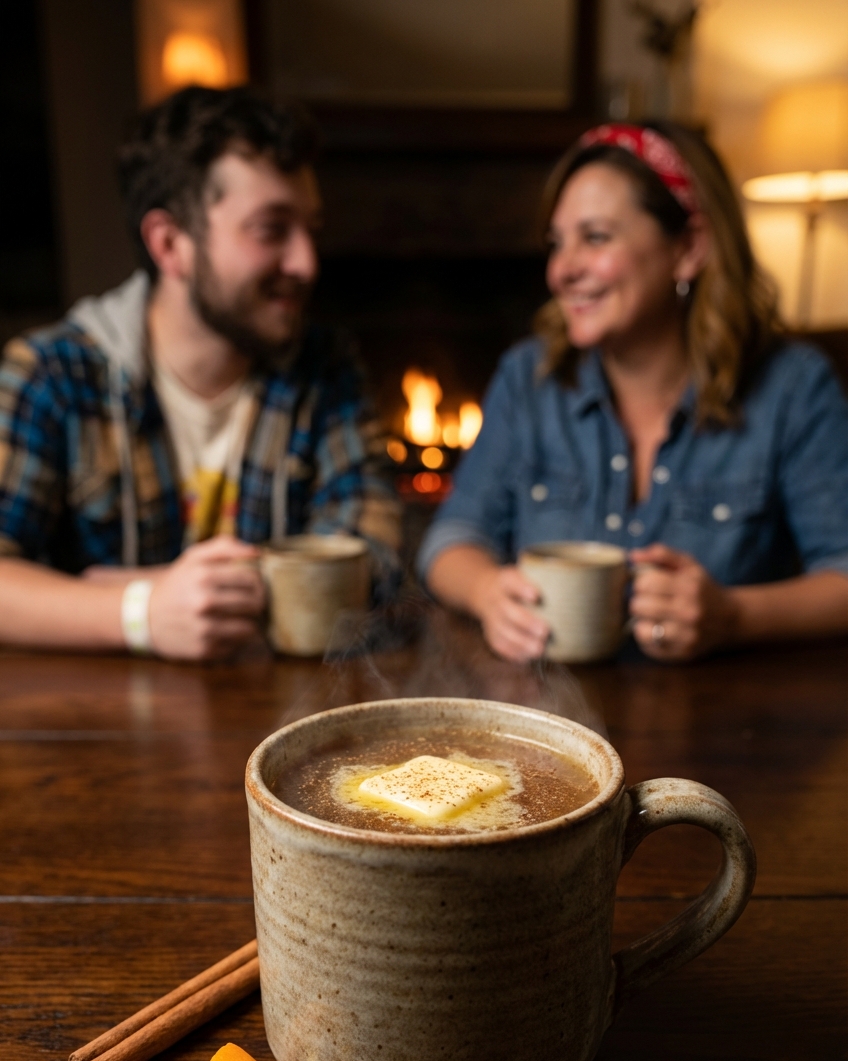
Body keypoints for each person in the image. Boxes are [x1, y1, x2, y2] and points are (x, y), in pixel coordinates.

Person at [419, 122, 848, 662]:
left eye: (595, 237)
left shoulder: (793, 386)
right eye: (557, 243)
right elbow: (451, 538)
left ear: (688, 249)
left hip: (722, 723)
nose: (562, 270)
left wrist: (734, 615)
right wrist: (486, 593)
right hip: (552, 718)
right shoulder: (528, 377)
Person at [0, 87, 400, 660]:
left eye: (310, 227)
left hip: (278, 720)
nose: (306, 262)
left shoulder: (326, 367)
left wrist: (132, 587)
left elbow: (375, 554)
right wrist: (142, 611)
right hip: (96, 730)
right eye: (271, 229)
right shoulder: (52, 373)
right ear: (170, 245)